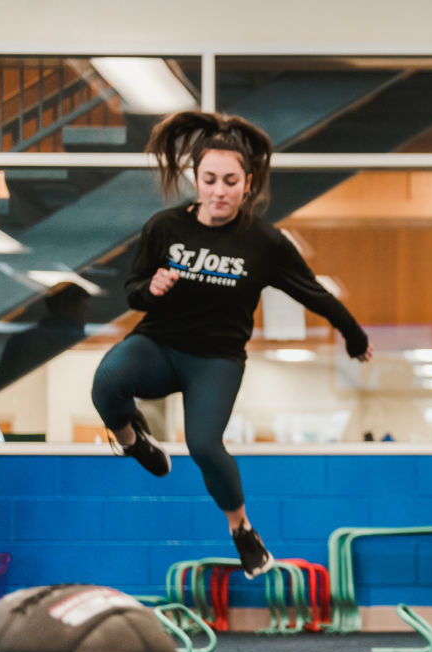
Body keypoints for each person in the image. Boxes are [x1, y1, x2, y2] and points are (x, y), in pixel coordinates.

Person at [90, 110, 373, 579]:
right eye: (209, 179)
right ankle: (132, 440)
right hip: (159, 344)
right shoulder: (165, 227)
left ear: (248, 183)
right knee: (106, 385)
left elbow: (313, 293)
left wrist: (353, 333)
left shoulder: (264, 243)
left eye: (229, 180)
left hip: (215, 361)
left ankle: (242, 530)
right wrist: (153, 287)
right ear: (195, 180)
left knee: (203, 444)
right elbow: (134, 289)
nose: (219, 191)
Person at [0, 281, 90, 393]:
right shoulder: (83, 343)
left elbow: (2, 388)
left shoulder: (20, 341)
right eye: (83, 309)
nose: (86, 317)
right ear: (68, 306)